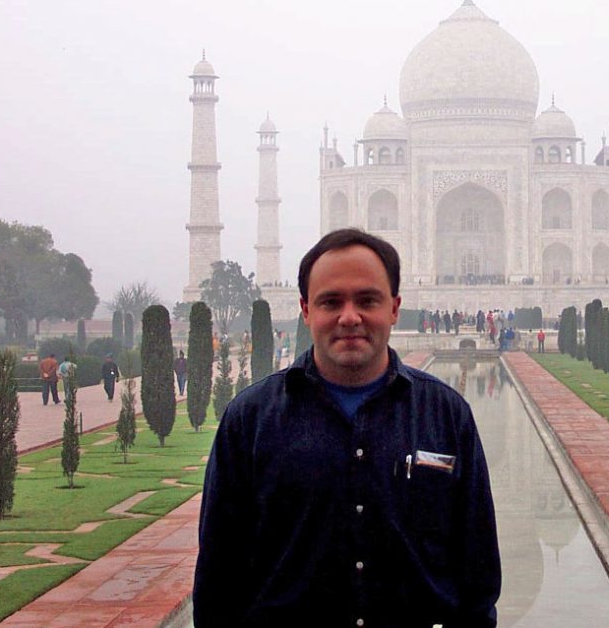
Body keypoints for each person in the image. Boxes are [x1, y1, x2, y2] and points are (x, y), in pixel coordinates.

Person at [194, 228, 500, 627]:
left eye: (367, 300)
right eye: (331, 302)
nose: (350, 317)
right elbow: (218, 583)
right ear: (306, 310)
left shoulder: (446, 415)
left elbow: (477, 578)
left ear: (394, 308)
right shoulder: (251, 420)